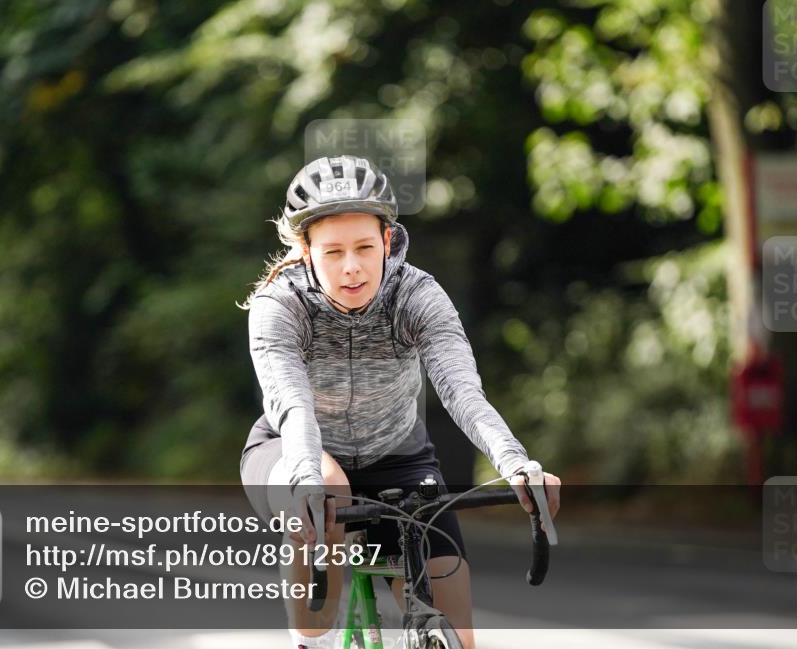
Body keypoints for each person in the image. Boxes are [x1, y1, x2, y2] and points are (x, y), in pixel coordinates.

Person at [239, 155, 561, 649]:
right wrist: (305, 478)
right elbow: (293, 407)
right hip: (295, 455)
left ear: (388, 241)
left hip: (398, 458)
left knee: (457, 634)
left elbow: (462, 391)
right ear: (306, 251)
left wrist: (516, 463)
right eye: (333, 252)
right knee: (324, 489)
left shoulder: (416, 295)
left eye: (366, 247)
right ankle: (311, 633)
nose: (352, 267)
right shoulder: (278, 306)